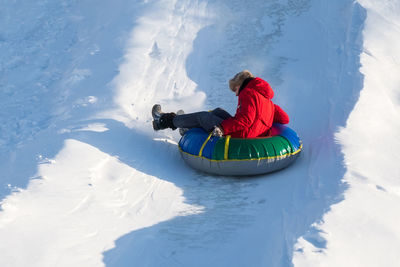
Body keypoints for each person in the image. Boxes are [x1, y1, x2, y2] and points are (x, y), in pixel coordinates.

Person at [152, 70, 289, 138]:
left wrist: (223, 129)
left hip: (244, 135)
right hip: (254, 133)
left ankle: (164, 121)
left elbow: (245, 120)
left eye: (235, 89)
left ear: (241, 84)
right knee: (218, 111)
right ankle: (187, 125)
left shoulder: (247, 93)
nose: (236, 94)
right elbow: (284, 119)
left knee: (204, 117)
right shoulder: (268, 101)